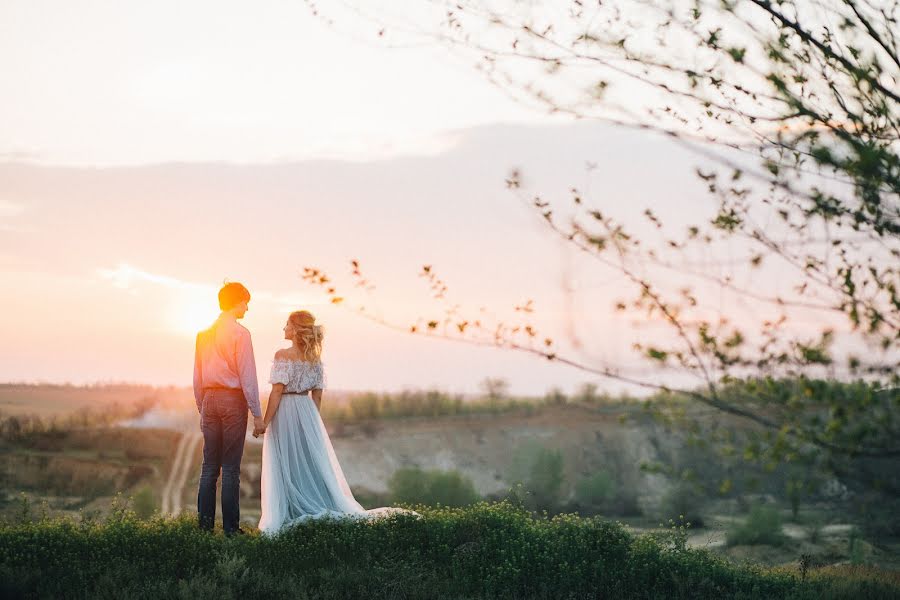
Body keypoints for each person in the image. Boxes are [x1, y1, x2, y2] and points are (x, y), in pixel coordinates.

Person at [257, 310, 415, 533]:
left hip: (286, 410)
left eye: (287, 325)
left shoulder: (283, 354)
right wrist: (312, 421)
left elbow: (276, 391)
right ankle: (311, 502)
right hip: (307, 410)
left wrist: (265, 422)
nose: (284, 329)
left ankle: (291, 510)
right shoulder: (314, 358)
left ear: (295, 329)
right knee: (309, 461)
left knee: (286, 460)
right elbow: (318, 395)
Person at [192, 282, 265, 535]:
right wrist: (257, 414)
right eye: (245, 302)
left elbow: (197, 377)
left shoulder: (203, 334)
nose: (247, 307)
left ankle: (204, 528)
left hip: (209, 399)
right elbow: (248, 377)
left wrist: (203, 406)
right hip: (233, 401)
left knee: (209, 466)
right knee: (231, 467)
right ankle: (231, 530)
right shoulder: (241, 334)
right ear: (236, 302)